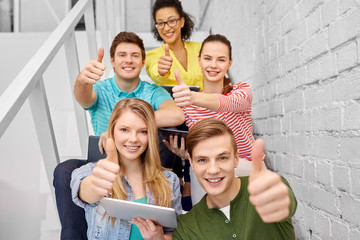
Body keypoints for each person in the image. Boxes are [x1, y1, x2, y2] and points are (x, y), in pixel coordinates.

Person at [53, 31, 184, 240]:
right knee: (64, 170)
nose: (128, 60)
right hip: (104, 158)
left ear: (143, 62)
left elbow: (177, 114)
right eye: (122, 55)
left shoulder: (153, 91)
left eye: (134, 55)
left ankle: (153, 175)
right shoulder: (101, 88)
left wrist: (134, 121)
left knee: (159, 138)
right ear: (112, 61)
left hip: (147, 156)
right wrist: (83, 80)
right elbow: (83, 97)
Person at [71, 98, 182, 240]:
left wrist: (159, 238)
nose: (133, 139)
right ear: (112, 131)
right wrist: (96, 183)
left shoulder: (169, 181)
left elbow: (174, 234)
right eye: (124, 130)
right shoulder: (90, 172)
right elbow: (85, 192)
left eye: (143, 131)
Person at [166, 34, 255, 205]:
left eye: (221, 60)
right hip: (212, 170)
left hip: (244, 167)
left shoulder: (241, 91)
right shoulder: (189, 107)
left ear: (229, 63)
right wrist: (186, 154)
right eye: (208, 58)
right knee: (201, 167)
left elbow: (229, 104)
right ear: (199, 61)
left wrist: (193, 98)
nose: (213, 65)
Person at [173, 118, 297, 239]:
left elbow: (284, 201)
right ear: (192, 163)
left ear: (236, 159)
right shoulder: (185, 228)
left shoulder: (269, 189)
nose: (213, 170)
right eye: (202, 160)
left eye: (222, 158)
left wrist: (277, 199)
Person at [146, 0, 203, 89]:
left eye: (171, 20)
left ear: (181, 22)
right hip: (172, 103)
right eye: (161, 23)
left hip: (203, 101)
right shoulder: (152, 55)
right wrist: (160, 71)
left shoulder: (201, 49)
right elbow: (155, 73)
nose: (166, 28)